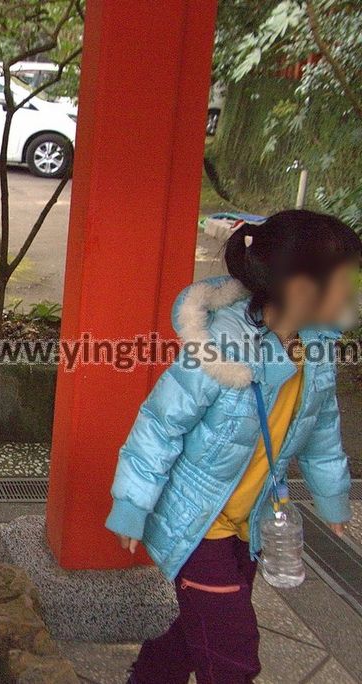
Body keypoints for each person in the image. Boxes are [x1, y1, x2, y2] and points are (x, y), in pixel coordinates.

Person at [106, 210, 359, 683]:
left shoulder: (317, 348)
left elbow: (324, 429)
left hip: (254, 518)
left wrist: (332, 496)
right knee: (232, 656)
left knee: (195, 627)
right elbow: (161, 425)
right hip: (201, 522)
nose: (352, 294)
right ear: (302, 290)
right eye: (346, 282)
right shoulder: (219, 347)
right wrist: (131, 502)